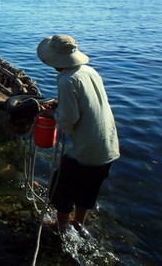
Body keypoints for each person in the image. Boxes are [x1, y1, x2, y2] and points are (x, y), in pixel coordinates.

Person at [36, 34, 120, 237]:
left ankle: (62, 230)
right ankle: (79, 224)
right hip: (108, 145)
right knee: (87, 192)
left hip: (86, 150)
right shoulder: (89, 71)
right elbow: (87, 102)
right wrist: (60, 104)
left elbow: (68, 120)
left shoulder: (66, 80)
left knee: (61, 191)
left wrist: (50, 113)